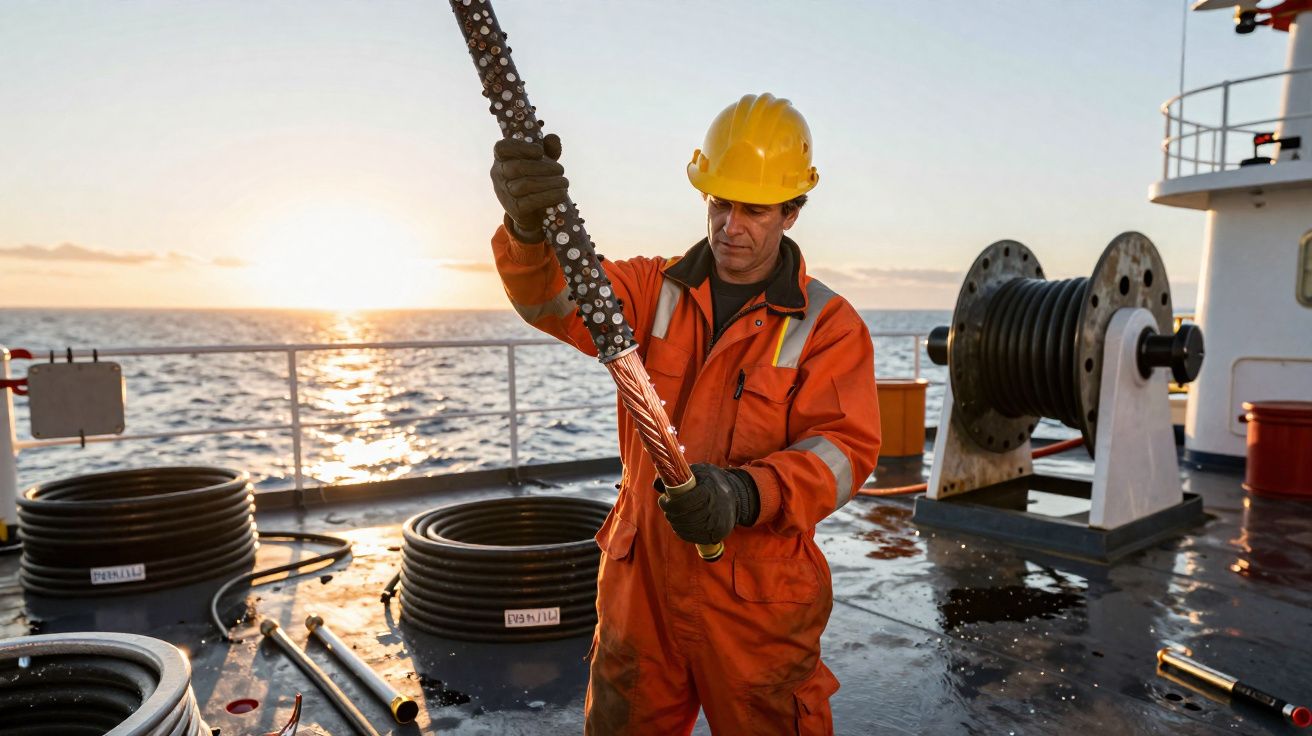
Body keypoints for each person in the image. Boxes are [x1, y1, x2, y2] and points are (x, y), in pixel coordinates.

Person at [488, 93, 881, 735]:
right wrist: (529, 231)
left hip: (755, 601)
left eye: (753, 209)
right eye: (719, 202)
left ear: (792, 211)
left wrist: (743, 492)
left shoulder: (829, 327)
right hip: (640, 589)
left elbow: (843, 453)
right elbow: (557, 300)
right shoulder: (651, 288)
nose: (730, 225)